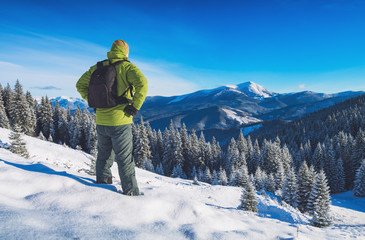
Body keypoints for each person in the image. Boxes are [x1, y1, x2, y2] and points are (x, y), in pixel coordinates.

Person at [76, 39, 148, 196]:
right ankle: (131, 193)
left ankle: (103, 189)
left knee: (103, 156)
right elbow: (143, 84)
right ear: (126, 52)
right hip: (120, 121)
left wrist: (93, 101)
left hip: (101, 121)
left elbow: (80, 85)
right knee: (124, 160)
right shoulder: (127, 67)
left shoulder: (98, 67)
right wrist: (135, 106)